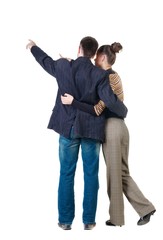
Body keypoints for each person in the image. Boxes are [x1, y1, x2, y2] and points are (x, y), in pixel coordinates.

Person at [26, 37, 128, 230]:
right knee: (91, 174)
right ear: (94, 53)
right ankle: (88, 221)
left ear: (79, 48)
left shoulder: (64, 66)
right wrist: (124, 111)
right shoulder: (99, 74)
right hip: (91, 130)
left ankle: (65, 221)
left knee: (66, 173)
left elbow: (45, 61)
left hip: (68, 129)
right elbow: (110, 101)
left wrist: (33, 47)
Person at [61, 42, 156, 227]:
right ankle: (141, 210)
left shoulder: (108, 78)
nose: (94, 60)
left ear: (103, 58)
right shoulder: (109, 76)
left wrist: (73, 102)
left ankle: (125, 216)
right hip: (117, 127)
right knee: (120, 172)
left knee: (115, 174)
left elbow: (97, 109)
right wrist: (73, 63)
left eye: (96, 57)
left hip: (113, 127)